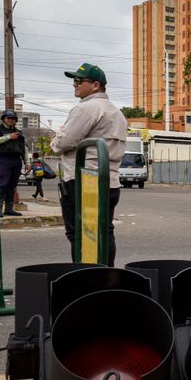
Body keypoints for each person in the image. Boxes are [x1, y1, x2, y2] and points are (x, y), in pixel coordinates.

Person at [50, 63, 127, 265]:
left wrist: (57, 136)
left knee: (78, 233)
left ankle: (85, 277)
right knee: (104, 231)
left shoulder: (86, 109)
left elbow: (61, 144)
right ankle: (106, 275)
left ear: (95, 85)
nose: (74, 85)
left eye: (78, 81)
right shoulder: (117, 112)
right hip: (109, 181)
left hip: (84, 181)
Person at [0, 109, 26, 216]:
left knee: (12, 185)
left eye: (13, 118)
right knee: (1, 184)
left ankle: (9, 209)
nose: (10, 120)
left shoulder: (19, 132)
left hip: (17, 160)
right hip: (3, 159)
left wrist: (27, 163)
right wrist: (9, 137)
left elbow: (24, 148)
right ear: (4, 119)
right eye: (8, 118)